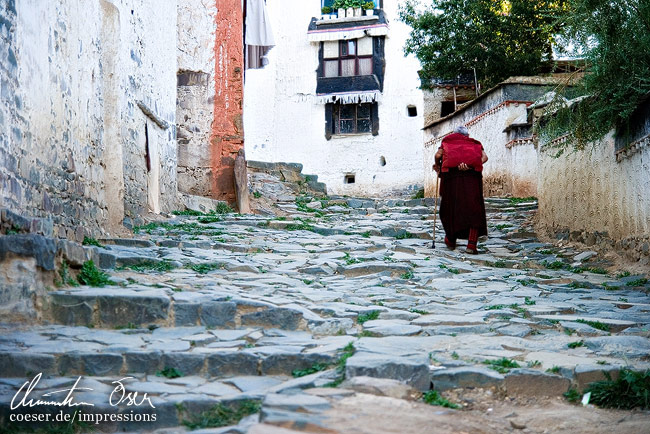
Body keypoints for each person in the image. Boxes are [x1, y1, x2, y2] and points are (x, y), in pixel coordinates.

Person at [433, 125, 488, 254]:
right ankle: (471, 244)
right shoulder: (475, 143)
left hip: (451, 179)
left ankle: (451, 240)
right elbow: (484, 158)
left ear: (454, 133)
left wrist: (437, 165)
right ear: (466, 135)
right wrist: (470, 166)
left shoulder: (447, 141)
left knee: (450, 208)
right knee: (473, 209)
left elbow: (438, 154)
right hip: (471, 179)